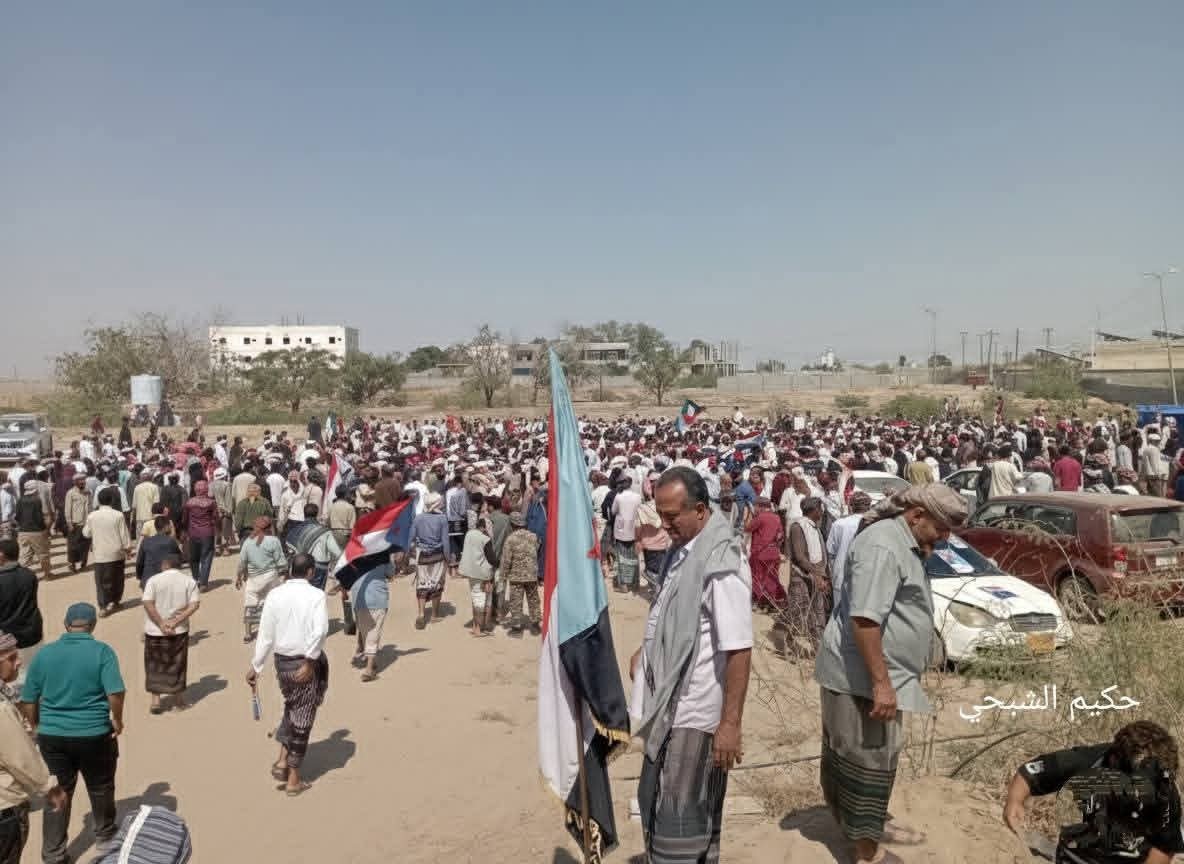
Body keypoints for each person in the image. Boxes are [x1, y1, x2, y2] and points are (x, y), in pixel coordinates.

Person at [813, 484, 968, 864]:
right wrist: (881, 684)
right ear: (916, 515)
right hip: (861, 679)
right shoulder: (884, 545)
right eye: (940, 528)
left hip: (882, 675)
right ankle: (867, 852)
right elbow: (865, 620)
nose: (945, 537)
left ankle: (869, 828)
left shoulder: (904, 542)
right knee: (863, 762)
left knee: (877, 758)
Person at [631, 466, 753, 864]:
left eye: (672, 516)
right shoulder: (683, 548)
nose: (664, 525)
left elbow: (738, 649)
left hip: (695, 712)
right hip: (669, 707)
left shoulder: (722, 562)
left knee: (680, 815)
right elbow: (673, 615)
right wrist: (647, 652)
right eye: (660, 515)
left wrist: (730, 724)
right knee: (659, 803)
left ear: (700, 510)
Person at [20, 603, 126, 864]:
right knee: (101, 786)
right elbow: (115, 692)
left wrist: (36, 726)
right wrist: (117, 719)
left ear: (66, 625)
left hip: (53, 736)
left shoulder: (45, 654)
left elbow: (28, 698)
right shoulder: (102, 652)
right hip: (94, 732)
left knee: (57, 792)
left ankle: (53, 854)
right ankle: (105, 837)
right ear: (93, 625)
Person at [1003, 720, 1184, 864]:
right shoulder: (1089, 761)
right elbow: (1031, 773)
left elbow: (1164, 846)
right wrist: (1014, 801)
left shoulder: (1165, 790)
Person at [246, 553, 329, 798]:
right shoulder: (316, 595)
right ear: (311, 572)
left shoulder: (275, 595)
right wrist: (311, 661)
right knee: (303, 718)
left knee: (292, 707)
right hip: (304, 662)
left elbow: (265, 634)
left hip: (282, 663)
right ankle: (293, 778)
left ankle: (282, 761)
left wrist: (256, 665)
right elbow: (320, 630)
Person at [141, 552, 200, 714]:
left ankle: (155, 701)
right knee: (177, 664)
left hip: (154, 631)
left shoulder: (153, 580)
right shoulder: (189, 581)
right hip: (178, 630)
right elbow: (194, 605)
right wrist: (175, 621)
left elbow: (147, 603)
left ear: (165, 565)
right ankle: (178, 700)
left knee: (154, 665)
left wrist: (161, 623)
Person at [786, 496, 830, 659]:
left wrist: (823, 576)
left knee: (818, 615)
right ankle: (790, 647)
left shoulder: (814, 527)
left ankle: (819, 651)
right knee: (798, 613)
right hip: (801, 577)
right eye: (820, 509)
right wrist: (816, 574)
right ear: (814, 510)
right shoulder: (798, 527)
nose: (822, 512)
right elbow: (800, 557)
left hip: (816, 577)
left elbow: (821, 555)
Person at [237, 516, 287, 642]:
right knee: (273, 604)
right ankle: (274, 631)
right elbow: (281, 562)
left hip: (253, 579)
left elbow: (242, 562)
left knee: (250, 604)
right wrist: (284, 575)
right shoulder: (274, 541)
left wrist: (238, 577)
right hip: (271, 578)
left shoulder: (247, 542)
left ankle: (248, 634)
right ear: (269, 528)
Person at [83, 487, 133, 617]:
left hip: (100, 554)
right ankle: (115, 601)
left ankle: (103, 606)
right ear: (112, 500)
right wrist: (128, 549)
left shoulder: (92, 516)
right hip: (117, 553)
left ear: (99, 501)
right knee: (118, 579)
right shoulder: (118, 515)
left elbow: (86, 533)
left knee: (101, 582)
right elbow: (124, 535)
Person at [409, 491, 449, 629]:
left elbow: (411, 538)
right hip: (438, 556)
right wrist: (448, 558)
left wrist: (411, 553)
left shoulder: (418, 518)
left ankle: (421, 614)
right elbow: (445, 542)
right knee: (437, 584)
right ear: (436, 504)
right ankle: (434, 615)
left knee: (422, 584)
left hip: (422, 556)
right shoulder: (442, 519)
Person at [825, 491, 872, 608]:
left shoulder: (838, 524)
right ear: (869, 506)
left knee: (839, 613)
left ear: (851, 506)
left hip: (840, 575)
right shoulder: (873, 524)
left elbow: (830, 551)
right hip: (866, 577)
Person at [500, 511, 540, 637]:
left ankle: (517, 629)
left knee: (516, 601)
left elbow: (506, 560)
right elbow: (537, 550)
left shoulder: (510, 539)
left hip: (516, 576)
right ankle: (535, 626)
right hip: (531, 574)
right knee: (533, 600)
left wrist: (503, 577)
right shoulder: (533, 536)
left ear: (512, 524)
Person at [744, 496, 786, 612]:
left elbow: (747, 528)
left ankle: (759, 602)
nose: (754, 509)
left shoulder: (760, 517)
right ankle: (773, 602)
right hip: (774, 553)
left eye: (755, 506)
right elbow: (780, 536)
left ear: (760, 506)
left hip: (760, 553)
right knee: (772, 578)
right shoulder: (777, 517)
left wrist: (749, 516)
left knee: (757, 577)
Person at [351, 562, 389, 682]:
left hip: (358, 598)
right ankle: (369, 669)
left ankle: (369, 658)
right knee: (374, 632)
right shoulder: (383, 557)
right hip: (377, 598)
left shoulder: (354, 557)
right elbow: (391, 573)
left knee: (365, 631)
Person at [459, 517, 495, 637]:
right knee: (484, 601)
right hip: (483, 574)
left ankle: (475, 627)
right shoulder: (485, 539)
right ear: (485, 527)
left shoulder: (469, 534)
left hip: (470, 572)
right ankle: (480, 628)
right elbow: (492, 559)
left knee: (475, 599)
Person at [182, 480, 218, 591]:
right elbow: (215, 517)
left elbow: (185, 519)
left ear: (195, 490)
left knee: (193, 558)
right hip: (207, 533)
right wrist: (217, 528)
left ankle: (196, 579)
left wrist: (184, 531)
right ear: (206, 490)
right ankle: (203, 583)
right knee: (206, 558)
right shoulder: (211, 503)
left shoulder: (189, 503)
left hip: (193, 533)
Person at [14, 479, 51, 581]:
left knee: (24, 556)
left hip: (23, 531)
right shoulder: (37, 500)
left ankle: (20, 577)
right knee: (43, 554)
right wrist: (46, 529)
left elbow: (17, 517)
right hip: (37, 531)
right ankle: (47, 575)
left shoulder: (20, 500)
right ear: (35, 489)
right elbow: (41, 517)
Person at [611, 477, 643, 594]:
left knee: (621, 558)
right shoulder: (637, 497)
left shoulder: (619, 496)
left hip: (621, 531)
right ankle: (634, 583)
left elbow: (613, 511)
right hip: (634, 529)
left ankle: (623, 585)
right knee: (633, 557)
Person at [135, 516, 183, 588]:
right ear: (166, 527)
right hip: (165, 581)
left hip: (148, 581)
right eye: (170, 525)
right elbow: (179, 559)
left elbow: (139, 562)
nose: (171, 527)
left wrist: (140, 577)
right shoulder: (170, 541)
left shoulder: (145, 541)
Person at [64, 473, 92, 573]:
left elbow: (90, 506)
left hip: (86, 523)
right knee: (73, 546)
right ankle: (72, 564)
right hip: (75, 524)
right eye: (80, 480)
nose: (83, 482)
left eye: (83, 480)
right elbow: (67, 509)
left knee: (85, 545)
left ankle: (84, 564)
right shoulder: (70, 493)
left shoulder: (88, 492)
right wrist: (69, 523)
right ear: (75, 482)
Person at [1140, 433, 1168, 497]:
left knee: (1150, 494)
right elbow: (1155, 464)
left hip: (1147, 474)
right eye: (1157, 441)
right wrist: (1158, 474)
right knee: (1158, 494)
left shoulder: (1146, 449)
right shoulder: (1154, 449)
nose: (1158, 442)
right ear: (1152, 441)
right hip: (1154, 476)